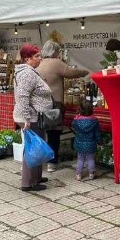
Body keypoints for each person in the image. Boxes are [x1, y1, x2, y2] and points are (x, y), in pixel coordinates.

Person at [36, 40, 90, 172]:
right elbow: (71, 72)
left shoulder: (40, 63)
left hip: (40, 103)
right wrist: (85, 72)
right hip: (54, 103)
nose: (59, 54)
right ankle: (52, 163)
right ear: (54, 52)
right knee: (54, 133)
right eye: (58, 51)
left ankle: (40, 161)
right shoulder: (56, 63)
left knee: (42, 132)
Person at [13, 44, 52, 192]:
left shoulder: (29, 71)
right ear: (27, 59)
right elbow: (23, 97)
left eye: (40, 56)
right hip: (31, 117)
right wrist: (26, 119)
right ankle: (28, 182)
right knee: (32, 149)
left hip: (35, 116)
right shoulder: (27, 74)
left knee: (37, 146)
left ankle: (36, 176)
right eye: (36, 56)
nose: (40, 59)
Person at [72, 101, 101, 181]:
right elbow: (97, 133)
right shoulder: (94, 121)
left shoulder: (76, 120)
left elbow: (73, 125)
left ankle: (78, 175)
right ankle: (91, 174)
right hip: (91, 143)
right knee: (91, 159)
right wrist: (100, 141)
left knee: (80, 159)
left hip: (79, 143)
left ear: (80, 109)